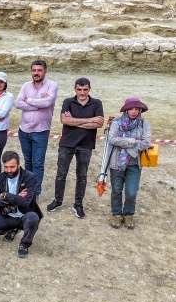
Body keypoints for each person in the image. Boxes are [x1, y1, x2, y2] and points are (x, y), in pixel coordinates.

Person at [46, 78, 104, 219]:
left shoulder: (97, 103)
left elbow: (99, 124)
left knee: (82, 176)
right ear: (75, 89)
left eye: (85, 89)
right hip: (67, 144)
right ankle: (58, 200)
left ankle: (78, 204)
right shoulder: (68, 102)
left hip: (86, 145)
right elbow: (64, 120)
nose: (82, 92)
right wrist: (90, 119)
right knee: (61, 174)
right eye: (79, 89)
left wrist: (74, 121)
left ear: (89, 89)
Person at [0, 151, 43, 259]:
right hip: (7, 214)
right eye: (6, 167)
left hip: (25, 215)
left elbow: (25, 202)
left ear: (18, 164)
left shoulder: (30, 178)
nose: (9, 170)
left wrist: (6, 195)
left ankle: (24, 244)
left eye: (12, 167)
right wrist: (16, 197)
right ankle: (11, 229)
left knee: (32, 218)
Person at [15, 59, 58, 198]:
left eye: (39, 70)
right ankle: (28, 190)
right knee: (28, 162)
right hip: (24, 130)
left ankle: (36, 193)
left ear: (45, 71)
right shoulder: (26, 86)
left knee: (38, 163)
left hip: (40, 131)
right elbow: (17, 103)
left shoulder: (52, 85)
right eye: (34, 70)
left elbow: (48, 102)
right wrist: (39, 103)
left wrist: (29, 100)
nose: (36, 73)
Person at [108, 98, 152, 230]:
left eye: (137, 109)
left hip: (134, 163)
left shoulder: (144, 123)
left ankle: (128, 214)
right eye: (131, 109)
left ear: (140, 110)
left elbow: (146, 142)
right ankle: (116, 214)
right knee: (116, 190)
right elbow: (111, 139)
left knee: (131, 192)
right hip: (117, 162)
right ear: (126, 109)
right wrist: (134, 141)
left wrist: (124, 144)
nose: (134, 111)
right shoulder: (116, 122)